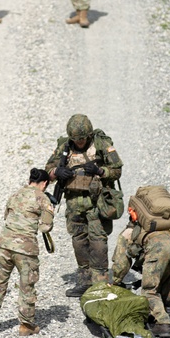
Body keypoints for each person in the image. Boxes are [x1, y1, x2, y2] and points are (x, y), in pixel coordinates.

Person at [45, 114, 123, 297]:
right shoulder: (64, 147)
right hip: (74, 202)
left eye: (82, 139)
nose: (79, 143)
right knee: (78, 241)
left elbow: (117, 170)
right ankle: (85, 281)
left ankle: (101, 283)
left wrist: (100, 171)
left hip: (96, 202)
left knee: (98, 242)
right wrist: (57, 172)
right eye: (76, 140)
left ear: (88, 136)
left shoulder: (101, 145)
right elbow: (47, 170)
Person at [0, 168, 55, 337]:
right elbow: (45, 227)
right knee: (26, 286)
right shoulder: (42, 198)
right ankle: (26, 325)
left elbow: (6, 216)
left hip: (4, 245)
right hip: (25, 249)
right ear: (44, 183)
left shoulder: (15, 195)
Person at [110, 223, 170, 338]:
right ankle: (162, 305)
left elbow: (121, 264)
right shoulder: (160, 223)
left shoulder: (127, 233)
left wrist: (115, 281)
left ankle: (161, 323)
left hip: (158, 246)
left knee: (149, 289)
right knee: (162, 278)